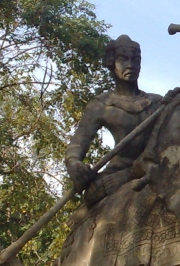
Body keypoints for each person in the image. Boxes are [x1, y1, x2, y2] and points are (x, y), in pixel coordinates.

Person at [65, 35, 162, 207]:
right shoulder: (101, 105)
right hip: (119, 169)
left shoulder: (158, 102)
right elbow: (79, 142)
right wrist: (74, 163)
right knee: (92, 195)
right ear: (111, 62)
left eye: (135, 59)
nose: (131, 65)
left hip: (155, 165)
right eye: (123, 59)